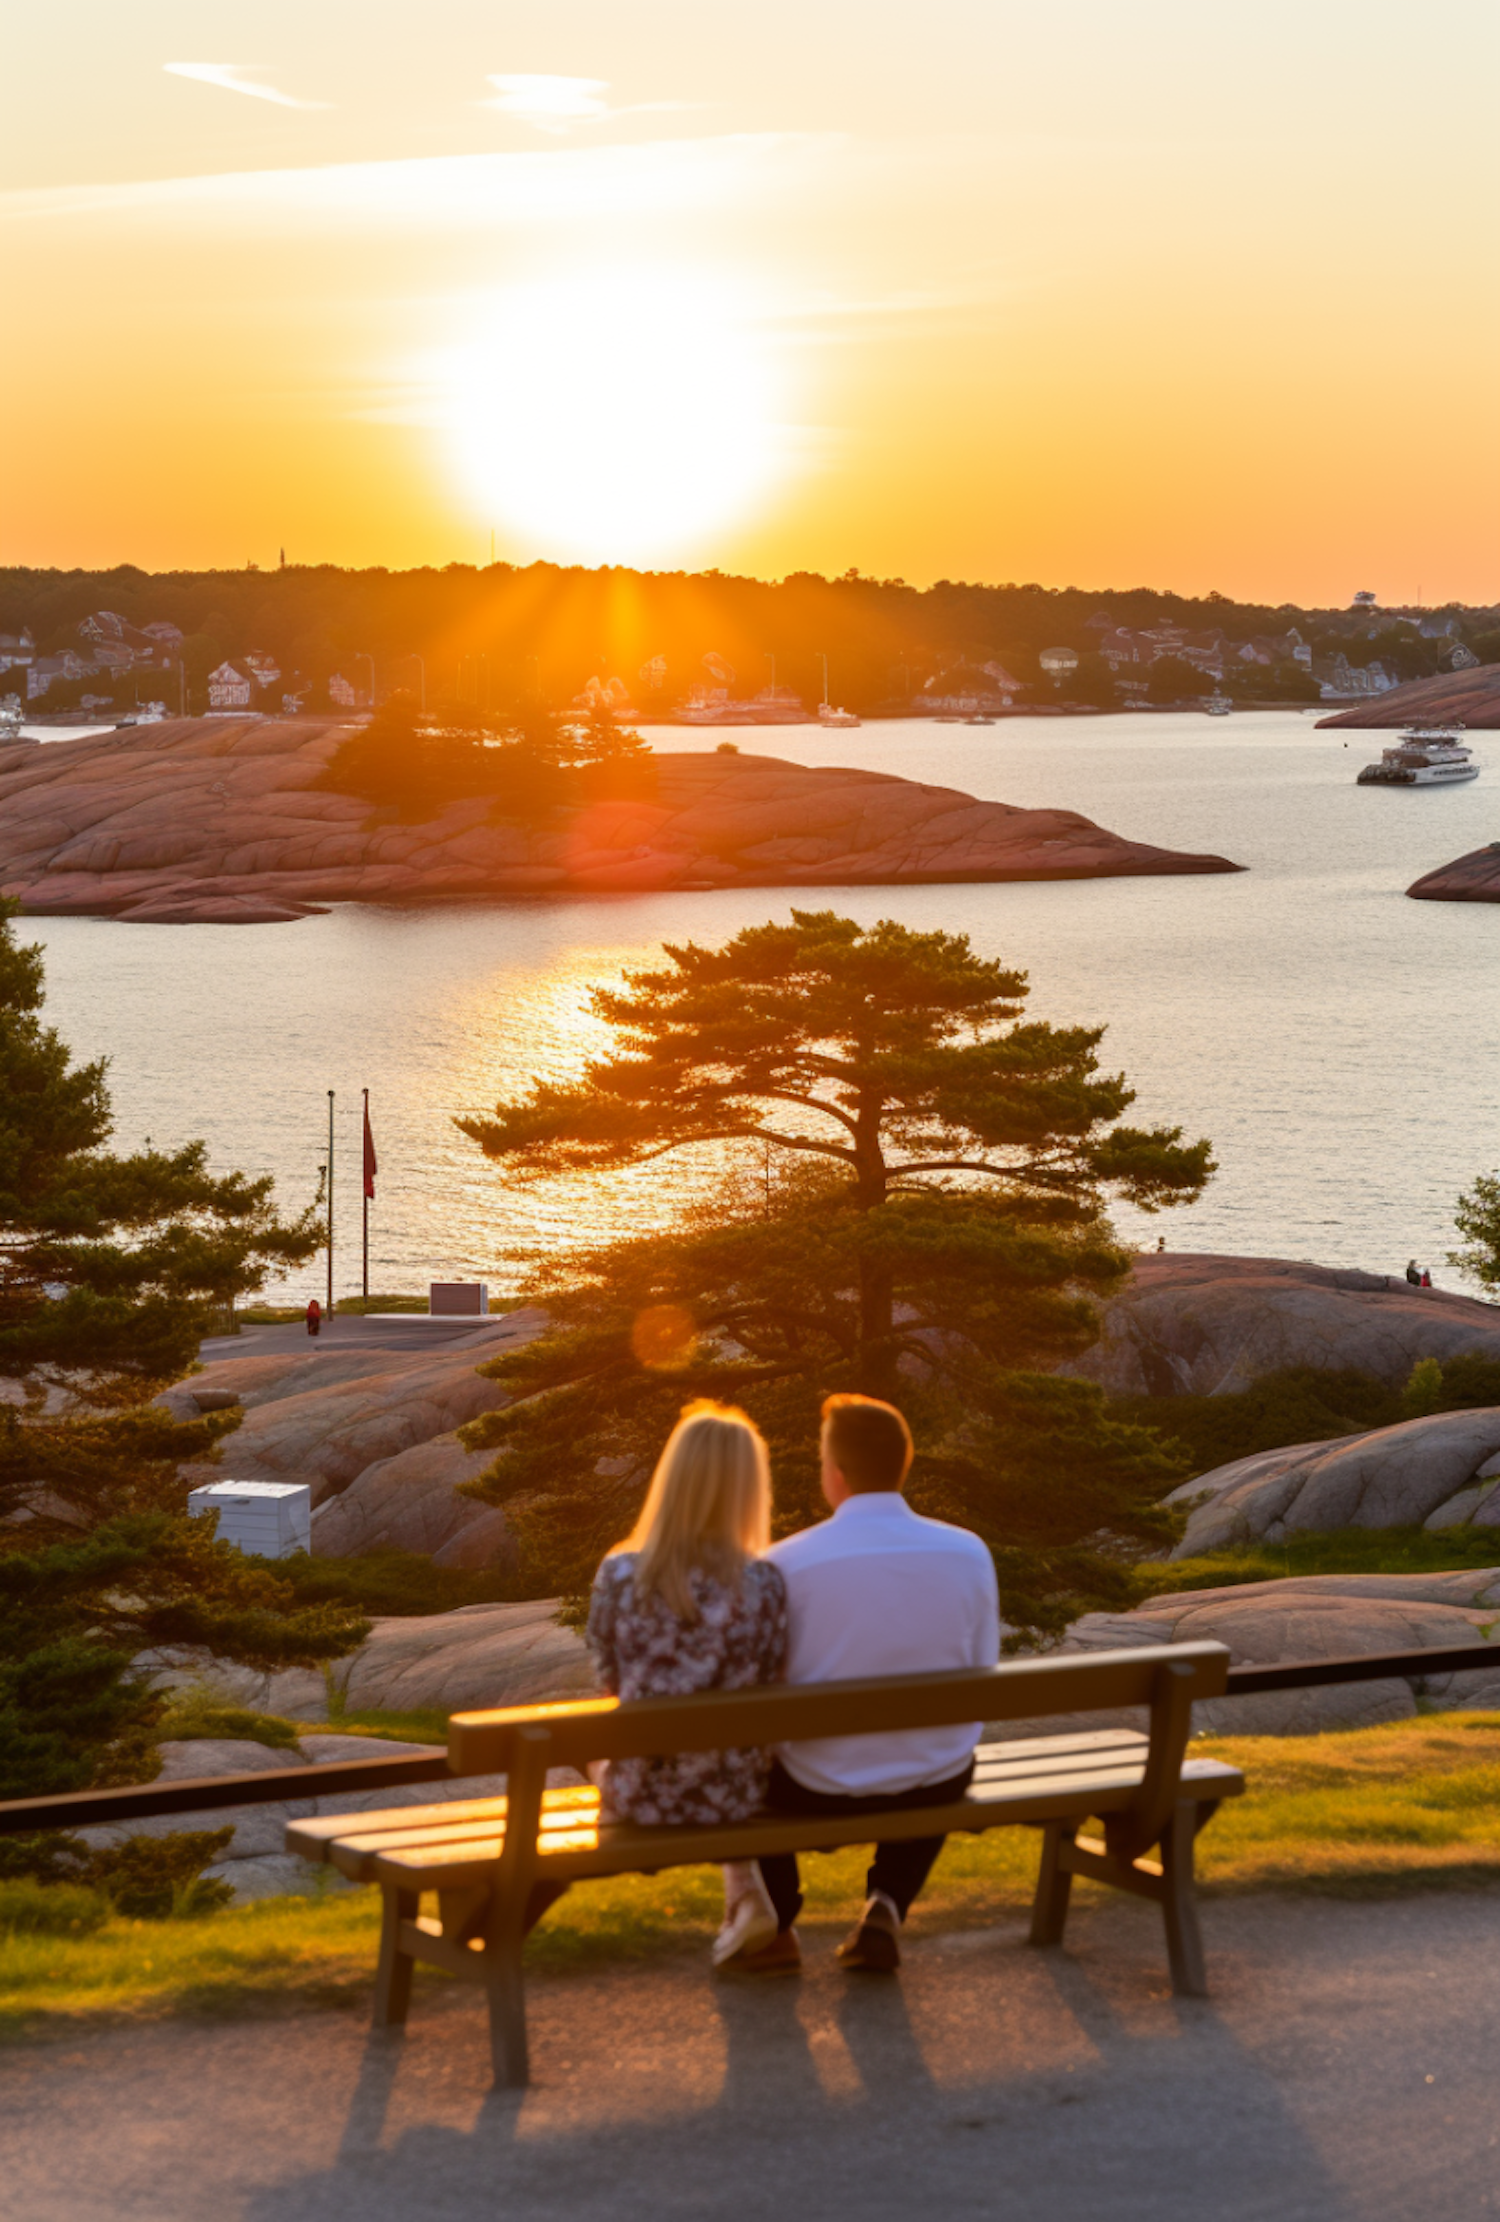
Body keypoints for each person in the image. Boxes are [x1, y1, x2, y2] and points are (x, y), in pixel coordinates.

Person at [752, 1394, 1000, 1975]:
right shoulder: (968, 1553)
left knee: (745, 1772)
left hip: (813, 1783)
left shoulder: (786, 1563)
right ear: (903, 1464)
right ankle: (886, 1902)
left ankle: (778, 1919)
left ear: (834, 1475)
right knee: (933, 1751)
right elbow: (981, 1668)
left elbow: (762, 1690)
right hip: (934, 1777)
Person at [586, 1401, 788, 1968]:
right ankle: (745, 1892)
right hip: (736, 1794)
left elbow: (610, 1680)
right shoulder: (766, 1583)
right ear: (749, 1488)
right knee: (718, 1745)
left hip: (643, 1797)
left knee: (594, 1756)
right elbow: (771, 1676)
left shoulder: (621, 1574)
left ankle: (746, 1900)